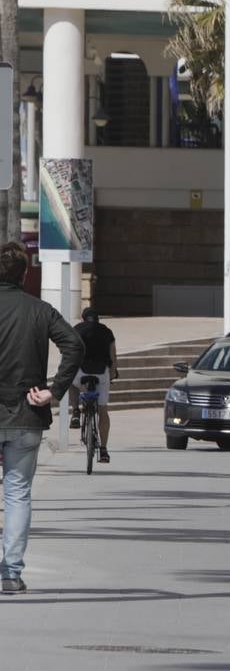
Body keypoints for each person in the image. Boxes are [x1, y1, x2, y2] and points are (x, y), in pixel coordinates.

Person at [0, 241, 84, 594]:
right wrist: (55, 390)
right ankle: (10, 573)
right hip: (26, 414)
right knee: (17, 495)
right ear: (25, 273)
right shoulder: (40, 310)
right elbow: (74, 344)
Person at [71, 306, 117, 462]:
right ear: (98, 319)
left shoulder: (77, 329)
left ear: (84, 318)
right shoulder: (106, 331)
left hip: (81, 371)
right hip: (101, 372)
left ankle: (76, 412)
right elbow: (113, 354)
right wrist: (112, 373)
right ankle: (104, 450)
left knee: (72, 383)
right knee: (103, 410)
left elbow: (70, 351)